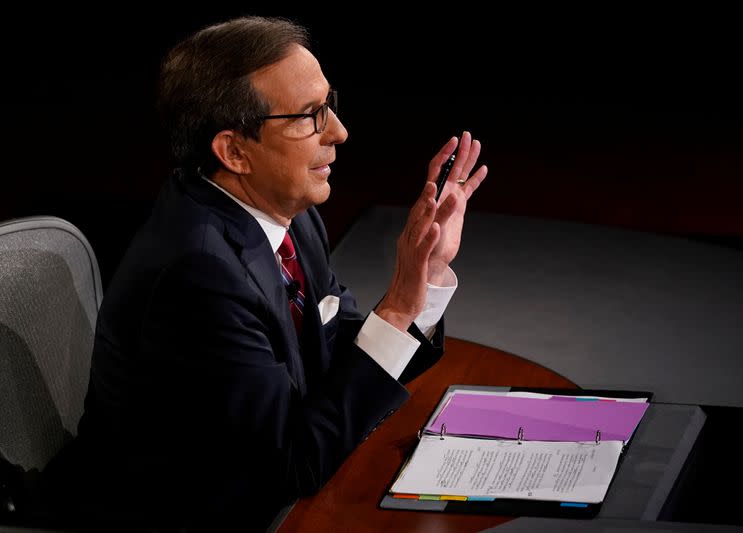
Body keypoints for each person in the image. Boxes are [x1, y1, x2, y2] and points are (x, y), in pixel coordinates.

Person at [43, 15, 487, 531]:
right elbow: (294, 462)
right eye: (308, 117)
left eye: (330, 105)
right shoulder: (198, 272)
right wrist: (397, 308)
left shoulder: (287, 216)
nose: (339, 133)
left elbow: (341, 364)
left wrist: (427, 274)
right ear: (234, 151)